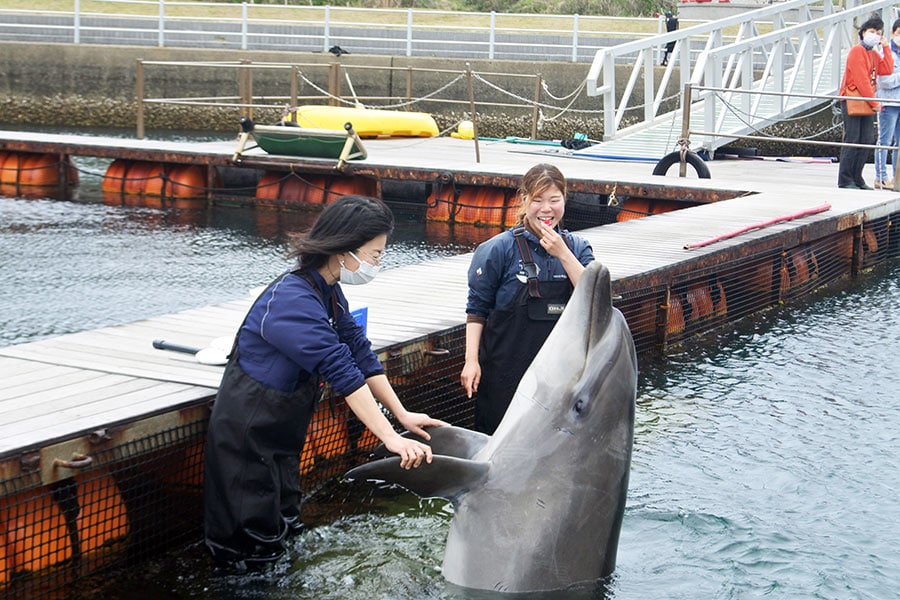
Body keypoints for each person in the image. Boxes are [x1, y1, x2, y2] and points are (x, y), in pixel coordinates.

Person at [204, 195, 446, 568]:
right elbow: (342, 373)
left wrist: (403, 414)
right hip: (246, 436)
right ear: (345, 250)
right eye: (375, 254)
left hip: (281, 435)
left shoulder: (329, 290)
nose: (377, 263)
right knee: (248, 546)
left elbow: (361, 355)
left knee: (286, 525)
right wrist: (390, 438)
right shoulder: (291, 300)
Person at [460, 163, 595, 435]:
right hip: (504, 373)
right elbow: (477, 309)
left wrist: (563, 254)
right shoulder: (497, 249)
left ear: (564, 201)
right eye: (537, 200)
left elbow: (594, 297)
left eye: (554, 200)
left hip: (557, 377)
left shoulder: (578, 248)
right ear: (524, 201)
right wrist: (470, 360)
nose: (546, 209)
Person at [838, 16, 893, 190]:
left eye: (878, 32)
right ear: (863, 33)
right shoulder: (857, 51)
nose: (875, 35)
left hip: (867, 101)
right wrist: (874, 102)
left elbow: (887, 69)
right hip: (854, 100)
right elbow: (861, 79)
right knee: (853, 139)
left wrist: (886, 46)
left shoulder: (873, 53)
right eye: (872, 31)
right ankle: (846, 179)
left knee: (866, 140)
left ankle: (857, 177)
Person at [875, 18, 900, 190]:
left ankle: (896, 177)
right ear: (892, 33)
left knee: (899, 143)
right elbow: (884, 81)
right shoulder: (885, 52)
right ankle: (881, 177)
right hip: (888, 102)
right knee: (885, 141)